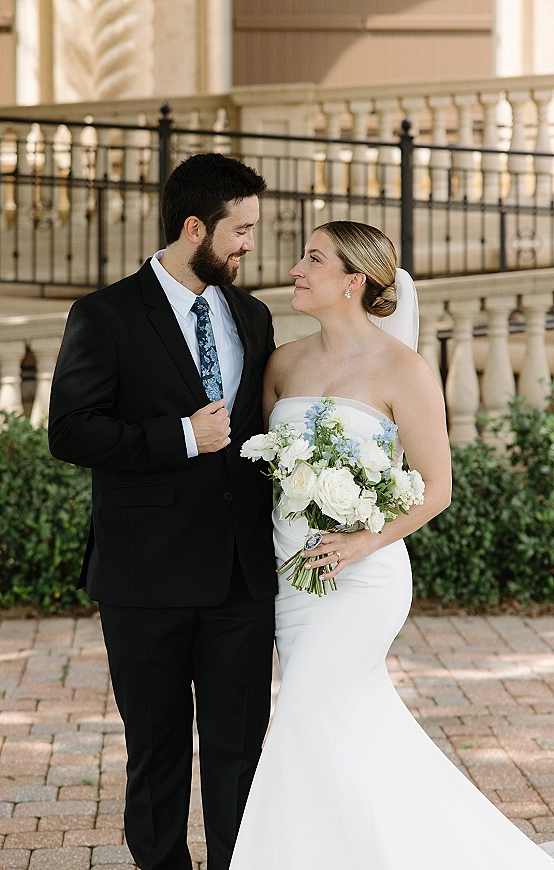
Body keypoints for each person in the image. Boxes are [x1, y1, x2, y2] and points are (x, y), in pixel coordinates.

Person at [229, 220, 554, 869]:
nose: (296, 268)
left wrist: (360, 543)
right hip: (293, 576)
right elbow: (261, 465)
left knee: (303, 715)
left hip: (363, 579)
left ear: (354, 280)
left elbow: (437, 488)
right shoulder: (284, 361)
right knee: (338, 725)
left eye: (313, 259)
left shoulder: (403, 367)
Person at [48, 152, 278, 870]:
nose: (249, 245)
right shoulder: (105, 314)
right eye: (239, 230)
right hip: (143, 578)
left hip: (240, 577)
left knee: (241, 753)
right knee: (157, 753)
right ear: (193, 227)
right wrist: (181, 435)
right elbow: (70, 430)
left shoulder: (253, 314)